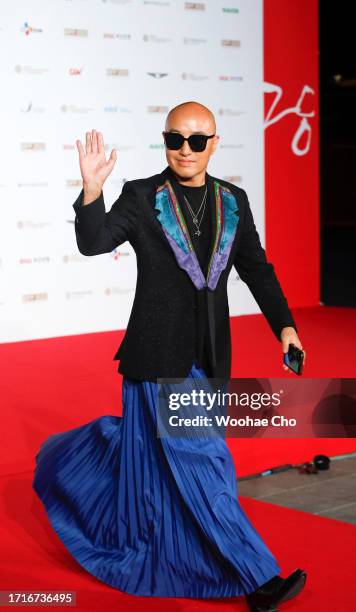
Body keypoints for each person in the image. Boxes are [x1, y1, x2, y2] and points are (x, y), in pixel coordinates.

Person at [33, 101, 307, 611]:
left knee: (155, 473)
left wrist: (285, 328)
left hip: (207, 359)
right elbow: (94, 243)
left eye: (196, 141)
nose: (185, 150)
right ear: (165, 141)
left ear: (214, 143)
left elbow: (257, 270)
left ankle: (157, 547)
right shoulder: (142, 196)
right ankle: (258, 580)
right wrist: (92, 189)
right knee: (206, 462)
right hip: (156, 357)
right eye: (174, 139)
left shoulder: (234, 201)